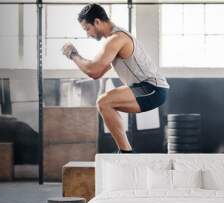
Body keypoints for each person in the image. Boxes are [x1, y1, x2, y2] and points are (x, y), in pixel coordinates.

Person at [62, 3, 170, 153]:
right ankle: (125, 152)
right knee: (106, 104)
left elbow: (92, 70)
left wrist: (72, 54)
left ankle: (126, 153)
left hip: (152, 89)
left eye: (87, 28)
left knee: (104, 102)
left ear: (97, 22)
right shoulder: (113, 40)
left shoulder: (117, 38)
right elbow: (98, 73)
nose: (88, 34)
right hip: (143, 88)